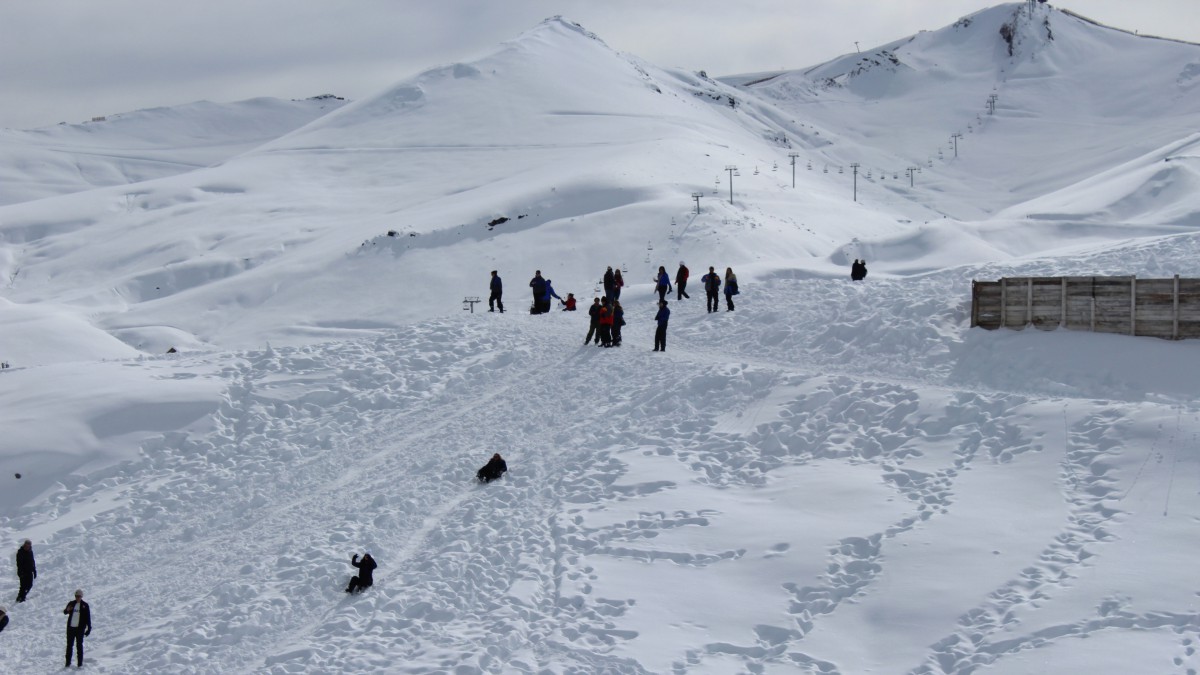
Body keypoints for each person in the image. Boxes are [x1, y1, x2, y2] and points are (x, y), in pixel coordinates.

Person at [63, 589, 91, 668]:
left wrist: (89, 628)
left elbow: (88, 618)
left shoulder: (85, 605)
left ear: (81, 597)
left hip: (80, 629)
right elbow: (65, 612)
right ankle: (67, 663)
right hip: (71, 628)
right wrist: (67, 610)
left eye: (79, 596)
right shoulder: (71, 603)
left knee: (79, 646)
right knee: (69, 646)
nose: (77, 598)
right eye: (76, 596)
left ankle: (79, 664)